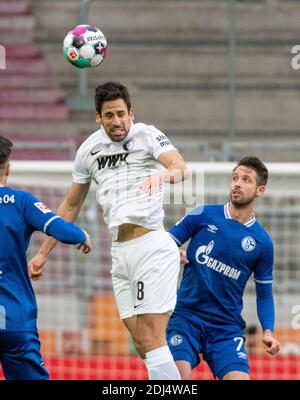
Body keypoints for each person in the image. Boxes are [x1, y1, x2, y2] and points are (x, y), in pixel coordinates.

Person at [29, 81, 188, 380]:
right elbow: (70, 206)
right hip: (120, 253)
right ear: (98, 117)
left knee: (153, 336)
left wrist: (165, 176)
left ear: (131, 112)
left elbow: (180, 167)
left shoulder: (148, 135)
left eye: (121, 114)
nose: (117, 122)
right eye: (109, 115)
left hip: (151, 246)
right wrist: (42, 254)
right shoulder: (88, 150)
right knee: (142, 343)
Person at [167, 156, 280, 380]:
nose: (237, 183)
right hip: (186, 317)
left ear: (260, 190)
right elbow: (166, 242)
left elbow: (264, 294)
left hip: (226, 327)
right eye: (235, 178)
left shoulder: (263, 243)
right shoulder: (203, 214)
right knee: (175, 379)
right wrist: (171, 252)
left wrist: (268, 330)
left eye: (246, 179)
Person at [0, 136, 92, 380]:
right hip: (13, 318)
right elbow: (60, 228)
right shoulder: (21, 202)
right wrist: (80, 234)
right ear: (8, 168)